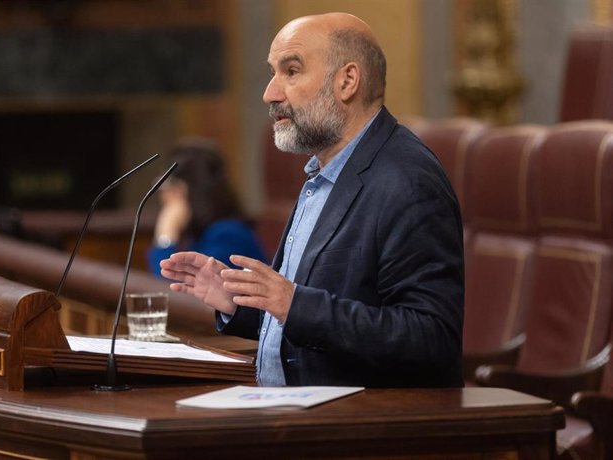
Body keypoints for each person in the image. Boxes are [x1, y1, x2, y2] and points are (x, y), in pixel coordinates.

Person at [160, 12, 464, 388]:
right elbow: (311, 321)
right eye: (273, 72)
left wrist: (292, 303)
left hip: (360, 430)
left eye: (291, 71)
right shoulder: (323, 175)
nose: (270, 93)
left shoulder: (407, 180)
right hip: (288, 415)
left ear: (347, 81)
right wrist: (240, 303)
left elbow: (430, 338)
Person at [146, 138, 267, 277]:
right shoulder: (199, 233)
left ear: (180, 191)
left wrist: (166, 236)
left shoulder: (228, 235)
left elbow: (178, 292)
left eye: (165, 186)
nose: (162, 196)